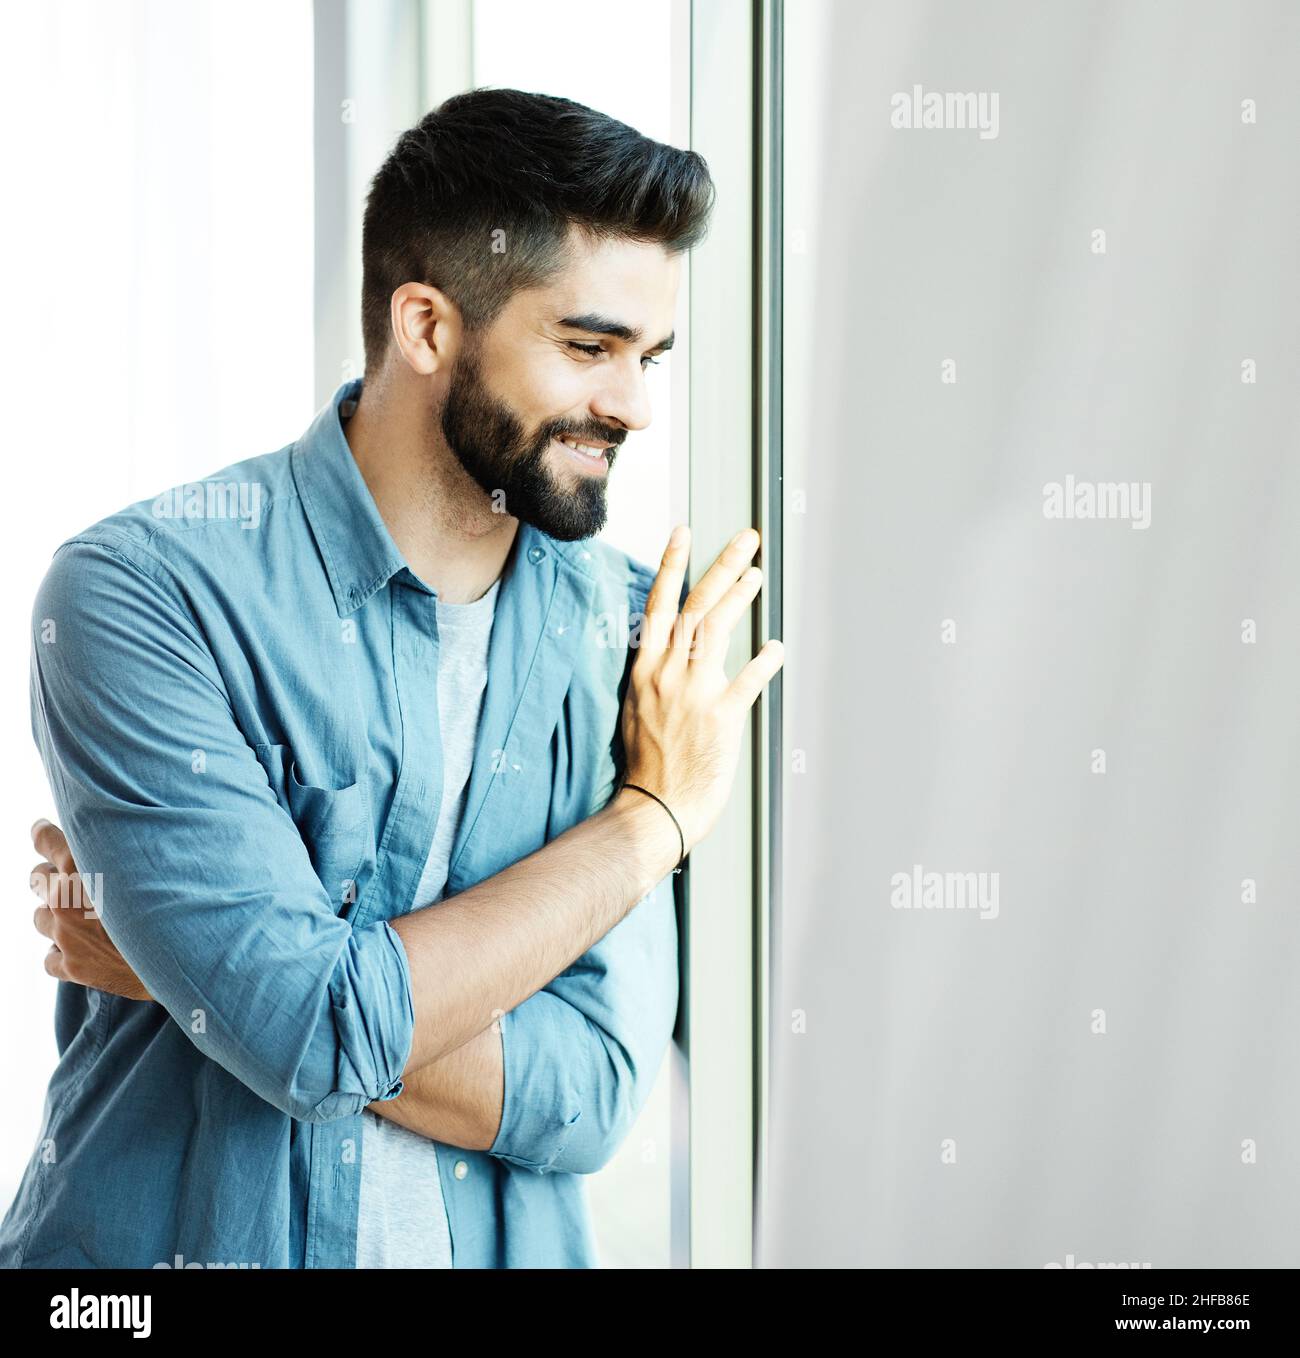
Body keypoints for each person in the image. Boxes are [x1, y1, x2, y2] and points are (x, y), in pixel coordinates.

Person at [0, 87, 782, 1269]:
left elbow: (593, 1092)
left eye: (648, 355)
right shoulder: (138, 596)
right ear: (426, 327)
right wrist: (646, 825)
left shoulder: (629, 632)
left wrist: (212, 981)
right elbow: (310, 1027)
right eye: (587, 347)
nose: (630, 404)